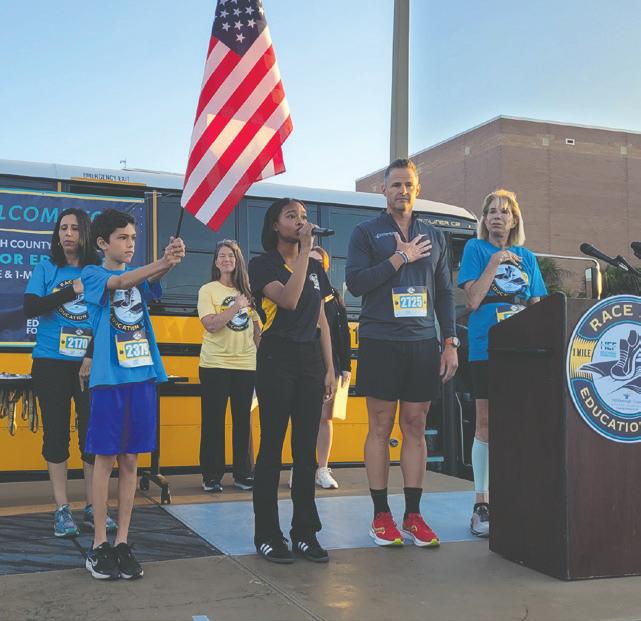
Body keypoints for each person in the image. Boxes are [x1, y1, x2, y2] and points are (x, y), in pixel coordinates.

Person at [346, 158, 459, 548]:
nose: (402, 191)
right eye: (395, 185)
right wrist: (400, 258)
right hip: (380, 340)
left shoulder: (435, 235)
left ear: (418, 189)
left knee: (415, 425)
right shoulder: (365, 232)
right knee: (380, 427)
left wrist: (449, 343)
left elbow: (445, 294)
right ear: (384, 190)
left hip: (422, 343)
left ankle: (413, 515)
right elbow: (356, 283)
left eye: (408, 184)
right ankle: (381, 516)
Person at [81, 209, 185, 580]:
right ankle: (99, 544)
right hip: (109, 379)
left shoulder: (139, 276)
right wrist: (162, 261)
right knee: (105, 458)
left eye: (133, 238)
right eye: (122, 238)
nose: (129, 244)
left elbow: (147, 279)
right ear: (102, 242)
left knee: (130, 459)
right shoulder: (92, 274)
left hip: (141, 375)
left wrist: (168, 262)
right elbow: (122, 281)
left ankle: (122, 541)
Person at [249, 198, 336, 564]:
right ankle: (268, 535)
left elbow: (321, 318)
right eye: (291, 216)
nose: (300, 221)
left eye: (303, 216)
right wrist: (305, 251)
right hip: (277, 358)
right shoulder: (262, 264)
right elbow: (288, 299)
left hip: (310, 360)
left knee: (305, 452)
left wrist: (329, 367)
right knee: (272, 448)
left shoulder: (314, 266)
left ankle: (304, 532)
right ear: (275, 225)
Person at [457, 189, 546, 537]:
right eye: (491, 211)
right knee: (486, 421)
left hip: (521, 350)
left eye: (504, 212)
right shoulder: (475, 249)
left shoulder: (528, 257)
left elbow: (537, 305)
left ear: (514, 219)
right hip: (485, 346)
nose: (497, 216)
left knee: (519, 421)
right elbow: (473, 300)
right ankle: (482, 502)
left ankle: (515, 497)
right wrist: (496, 261)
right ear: (484, 219)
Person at [23, 208, 117, 537]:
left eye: (75, 228)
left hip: (89, 366)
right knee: (56, 434)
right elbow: (31, 307)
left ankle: (94, 506)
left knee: (92, 435)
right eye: (63, 228)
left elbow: (105, 317)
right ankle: (62, 509)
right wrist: (70, 290)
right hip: (50, 362)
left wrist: (90, 355)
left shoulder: (97, 270)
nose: (68, 234)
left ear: (85, 233)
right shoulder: (46, 267)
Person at [197, 240, 261, 493]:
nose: (226, 260)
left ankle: (243, 474)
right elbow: (211, 324)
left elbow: (256, 328)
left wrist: (260, 356)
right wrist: (236, 306)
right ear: (216, 262)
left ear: (237, 261)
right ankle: (211, 476)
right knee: (213, 421)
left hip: (245, 364)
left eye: (231, 256)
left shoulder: (248, 292)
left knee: (243, 422)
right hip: (215, 364)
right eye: (222, 256)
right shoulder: (208, 290)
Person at [288, 246, 351, 490]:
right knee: (302, 417)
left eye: (318, 263)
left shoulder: (333, 296)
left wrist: (345, 366)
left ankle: (322, 469)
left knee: (325, 417)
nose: (313, 267)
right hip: (302, 360)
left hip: (329, 363)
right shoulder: (292, 291)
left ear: (325, 267)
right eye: (309, 261)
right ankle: (299, 467)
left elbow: (342, 332)